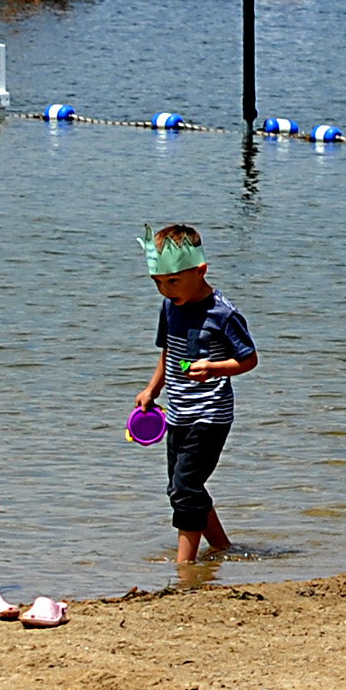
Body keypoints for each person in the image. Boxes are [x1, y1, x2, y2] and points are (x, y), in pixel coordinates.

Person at [132, 223, 258, 568]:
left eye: (173, 280)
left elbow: (249, 358)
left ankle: (183, 568)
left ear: (200, 270)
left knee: (185, 488)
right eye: (157, 282)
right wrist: (152, 389)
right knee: (182, 487)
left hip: (211, 415)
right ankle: (221, 547)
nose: (164, 289)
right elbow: (168, 352)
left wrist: (214, 368)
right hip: (178, 413)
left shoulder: (223, 313)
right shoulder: (171, 307)